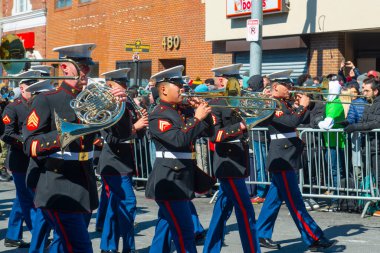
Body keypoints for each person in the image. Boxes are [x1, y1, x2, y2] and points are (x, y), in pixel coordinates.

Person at [22, 43, 127, 253]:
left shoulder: (93, 99)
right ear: (65, 67)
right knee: (80, 246)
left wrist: (121, 105)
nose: (86, 72)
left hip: (84, 181)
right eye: (81, 66)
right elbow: (30, 144)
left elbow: (121, 135)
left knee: (63, 244)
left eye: (88, 67)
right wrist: (64, 134)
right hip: (58, 183)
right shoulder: (47, 99)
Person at [256, 70, 336, 251]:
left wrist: (307, 104)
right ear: (276, 87)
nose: (291, 88)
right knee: (295, 201)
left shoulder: (286, 102)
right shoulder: (271, 103)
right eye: (288, 85)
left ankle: (260, 234)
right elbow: (290, 121)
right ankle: (313, 236)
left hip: (288, 155)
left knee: (274, 200)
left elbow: (304, 119)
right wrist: (301, 107)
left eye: (292, 85)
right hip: (281, 158)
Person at [146, 65, 214, 253]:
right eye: (179, 87)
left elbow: (209, 132)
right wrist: (197, 119)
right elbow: (178, 140)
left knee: (165, 228)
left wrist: (204, 114)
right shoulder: (159, 114)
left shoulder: (182, 111)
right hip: (169, 179)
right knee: (185, 231)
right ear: (164, 89)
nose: (183, 90)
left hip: (182, 176)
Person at [203, 64, 261, 253]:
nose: (238, 83)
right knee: (246, 212)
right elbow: (215, 136)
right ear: (221, 81)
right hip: (228, 164)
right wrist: (242, 126)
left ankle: (210, 250)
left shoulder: (240, 100)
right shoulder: (216, 103)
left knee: (221, 212)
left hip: (238, 160)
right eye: (233, 79)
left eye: (238, 79)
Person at [98, 68, 149, 253]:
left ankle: (108, 246)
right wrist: (135, 127)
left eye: (126, 84)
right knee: (128, 203)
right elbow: (110, 139)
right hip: (113, 162)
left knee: (114, 205)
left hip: (125, 161)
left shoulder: (126, 105)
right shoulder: (105, 107)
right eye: (122, 84)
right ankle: (128, 247)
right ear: (110, 85)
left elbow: (138, 134)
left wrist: (142, 122)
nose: (125, 87)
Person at [1, 70, 42, 248]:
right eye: (29, 88)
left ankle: (12, 235)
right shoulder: (13, 107)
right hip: (19, 159)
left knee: (21, 197)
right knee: (27, 199)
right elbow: (6, 134)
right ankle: (36, 235)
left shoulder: (38, 104)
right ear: (21, 87)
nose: (32, 92)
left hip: (34, 158)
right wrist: (26, 141)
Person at [345, 77, 380, 217]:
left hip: (377, 147)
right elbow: (364, 121)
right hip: (369, 146)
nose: (363, 93)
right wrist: (347, 124)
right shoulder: (368, 104)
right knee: (374, 178)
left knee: (379, 178)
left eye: (366, 90)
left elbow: (376, 123)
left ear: (376, 91)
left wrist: (355, 127)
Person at [318, 80, 346, 197]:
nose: (324, 92)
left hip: (336, 142)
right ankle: (334, 193)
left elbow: (326, 124)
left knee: (335, 170)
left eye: (326, 90)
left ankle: (337, 197)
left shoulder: (335, 103)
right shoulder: (329, 103)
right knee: (331, 169)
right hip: (329, 141)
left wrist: (317, 122)